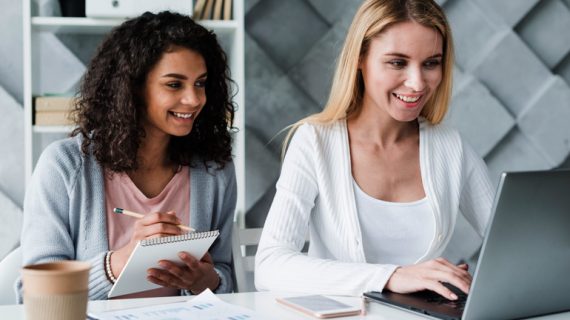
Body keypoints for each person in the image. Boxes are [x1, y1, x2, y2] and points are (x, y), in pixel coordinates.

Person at [255, 0, 494, 300]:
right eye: (397, 62)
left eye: (431, 63)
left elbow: (515, 242)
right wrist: (391, 276)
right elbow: (269, 267)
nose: (417, 82)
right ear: (360, 58)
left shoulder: (451, 147)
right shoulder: (315, 142)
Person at [17, 11, 236, 301]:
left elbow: (226, 275)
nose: (195, 99)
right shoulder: (64, 165)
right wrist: (118, 263)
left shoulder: (214, 169)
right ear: (133, 88)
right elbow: (34, 294)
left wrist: (206, 280)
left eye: (200, 83)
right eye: (174, 84)